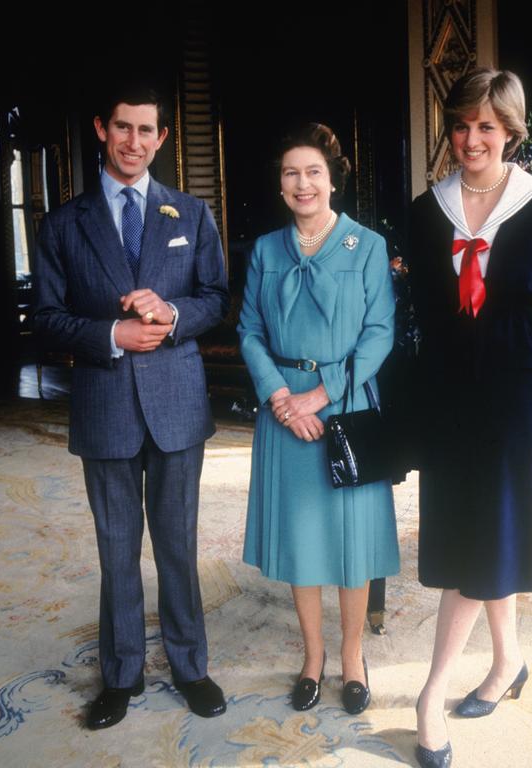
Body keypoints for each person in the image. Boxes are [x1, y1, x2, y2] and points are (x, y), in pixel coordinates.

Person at [33, 85, 230, 729]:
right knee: (117, 550)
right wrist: (111, 335)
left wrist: (172, 315)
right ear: (101, 128)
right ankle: (120, 676)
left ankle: (190, 665)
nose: (134, 143)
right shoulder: (63, 223)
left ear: (163, 138)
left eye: (147, 131)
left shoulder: (192, 215)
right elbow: (47, 319)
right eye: (123, 128)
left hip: (177, 406)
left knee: (177, 544)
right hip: (106, 407)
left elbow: (215, 299)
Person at [407, 68, 532, 767]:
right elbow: (422, 311)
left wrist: (531, 389)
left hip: (513, 391)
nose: (471, 139)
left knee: (487, 533)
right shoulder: (426, 211)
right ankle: (508, 661)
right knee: (467, 530)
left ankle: (430, 695)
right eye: (461, 125)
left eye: (486, 126)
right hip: (449, 390)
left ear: (510, 130)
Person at [238, 122, 399, 715]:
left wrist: (321, 394)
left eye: (313, 172)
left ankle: (353, 656)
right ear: (280, 185)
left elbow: (380, 333)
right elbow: (249, 331)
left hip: (346, 406)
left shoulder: (369, 246)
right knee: (303, 541)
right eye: (290, 173)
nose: (302, 183)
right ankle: (313, 656)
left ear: (333, 180)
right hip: (283, 409)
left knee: (351, 543)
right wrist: (283, 397)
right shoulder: (264, 250)